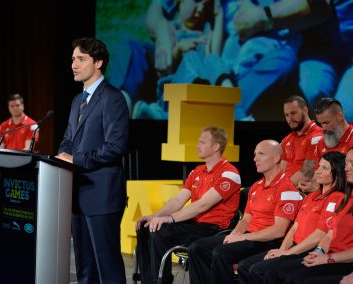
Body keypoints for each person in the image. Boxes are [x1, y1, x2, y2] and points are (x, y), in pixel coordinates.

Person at [56, 37, 129, 284]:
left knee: (106, 266)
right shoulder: (78, 100)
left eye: (81, 59)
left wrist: (75, 158)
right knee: (85, 266)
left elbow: (115, 147)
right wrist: (62, 156)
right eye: (73, 59)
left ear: (98, 62)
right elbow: (67, 140)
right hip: (77, 193)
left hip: (102, 195)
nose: (74, 65)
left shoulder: (113, 98)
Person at [135, 126, 242, 283]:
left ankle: (160, 281)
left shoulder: (229, 173)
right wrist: (155, 216)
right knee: (146, 227)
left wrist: (169, 219)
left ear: (216, 147)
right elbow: (178, 200)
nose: (198, 146)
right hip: (194, 225)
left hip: (213, 229)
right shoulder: (197, 171)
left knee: (160, 232)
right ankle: (148, 280)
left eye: (202, 142)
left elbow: (202, 205)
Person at [187, 139, 303, 284]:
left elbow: (279, 231)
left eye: (261, 154)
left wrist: (242, 238)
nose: (255, 158)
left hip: (267, 241)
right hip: (249, 236)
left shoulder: (287, 188)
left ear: (276, 158)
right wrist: (235, 234)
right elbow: (246, 219)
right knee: (197, 247)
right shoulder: (255, 186)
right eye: (255, 154)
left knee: (220, 253)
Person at [237, 151, 350, 283]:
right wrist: (282, 250)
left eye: (324, 168)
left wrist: (288, 253)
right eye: (318, 166)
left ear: (337, 174)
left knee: (263, 271)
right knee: (245, 266)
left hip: (307, 250)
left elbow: (321, 234)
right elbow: (294, 227)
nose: (317, 171)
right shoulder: (311, 196)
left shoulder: (337, 198)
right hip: (294, 248)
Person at [0, 93, 38, 223]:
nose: (15, 108)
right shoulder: (4, 126)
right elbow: (0, 147)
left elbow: (28, 148)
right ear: (8, 108)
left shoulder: (32, 124)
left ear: (22, 106)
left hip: (23, 161)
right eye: (12, 106)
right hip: (6, 161)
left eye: (17, 105)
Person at [299, 97, 353, 192]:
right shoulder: (320, 143)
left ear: (340, 117)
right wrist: (306, 183)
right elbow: (311, 171)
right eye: (320, 124)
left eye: (326, 123)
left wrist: (318, 189)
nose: (323, 128)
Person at [280, 95, 322, 186]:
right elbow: (280, 170)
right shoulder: (286, 140)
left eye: (293, 113)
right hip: (284, 188)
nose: (289, 118)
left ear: (305, 111)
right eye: (287, 115)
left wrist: (283, 187)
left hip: (301, 190)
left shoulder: (317, 137)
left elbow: (308, 171)